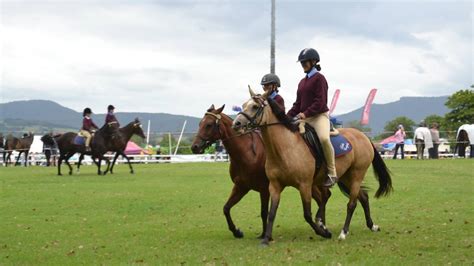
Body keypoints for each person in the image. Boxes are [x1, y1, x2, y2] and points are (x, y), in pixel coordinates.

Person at [287, 48, 337, 187]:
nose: (303, 64)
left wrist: (305, 113)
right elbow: (298, 104)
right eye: (301, 62)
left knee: (324, 138)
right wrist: (286, 117)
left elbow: (320, 102)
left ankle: (332, 173)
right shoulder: (302, 82)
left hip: (319, 116)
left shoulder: (320, 79)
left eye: (305, 62)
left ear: (314, 61)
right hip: (305, 118)